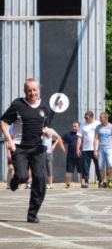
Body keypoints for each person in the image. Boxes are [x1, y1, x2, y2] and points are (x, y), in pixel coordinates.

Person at [0, 78, 50, 223]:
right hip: (20, 147)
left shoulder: (44, 107)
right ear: (25, 91)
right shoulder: (17, 105)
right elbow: (3, 122)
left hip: (38, 148)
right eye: (29, 90)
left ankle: (32, 214)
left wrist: (46, 131)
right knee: (23, 177)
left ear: (38, 90)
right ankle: (16, 180)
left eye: (34, 90)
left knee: (40, 180)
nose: (32, 93)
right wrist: (9, 140)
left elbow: (44, 126)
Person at [76, 111, 102, 188]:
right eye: (84, 117)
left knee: (98, 165)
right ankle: (86, 181)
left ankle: (100, 180)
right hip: (86, 149)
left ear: (91, 117)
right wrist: (77, 148)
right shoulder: (83, 125)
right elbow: (80, 137)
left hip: (96, 148)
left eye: (87, 117)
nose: (85, 118)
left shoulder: (97, 124)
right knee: (85, 166)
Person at [94, 112, 112, 188]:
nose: (100, 119)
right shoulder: (98, 127)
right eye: (100, 117)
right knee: (101, 166)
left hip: (109, 149)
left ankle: (110, 180)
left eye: (101, 117)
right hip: (101, 149)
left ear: (106, 118)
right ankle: (104, 181)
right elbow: (95, 138)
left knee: (111, 164)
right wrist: (95, 150)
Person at [62, 122, 85, 188]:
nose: (74, 128)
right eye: (73, 126)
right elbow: (60, 141)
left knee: (81, 171)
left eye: (75, 126)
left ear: (79, 127)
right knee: (69, 171)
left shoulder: (82, 135)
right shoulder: (68, 135)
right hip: (71, 156)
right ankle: (67, 184)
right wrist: (64, 150)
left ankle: (82, 184)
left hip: (80, 156)